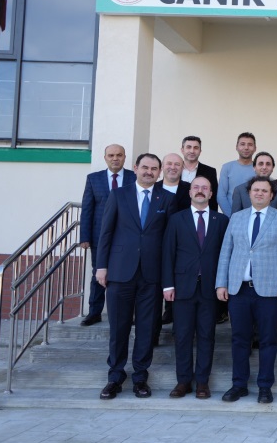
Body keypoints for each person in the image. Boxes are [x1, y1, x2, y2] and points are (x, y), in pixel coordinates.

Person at [96, 153, 177, 400]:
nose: (149, 172)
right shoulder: (119, 195)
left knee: (146, 328)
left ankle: (140, 377)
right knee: (118, 327)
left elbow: (169, 241)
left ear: (159, 172)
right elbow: (106, 232)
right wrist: (101, 266)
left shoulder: (167, 198)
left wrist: (167, 278)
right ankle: (115, 377)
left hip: (151, 275)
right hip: (120, 271)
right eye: (145, 167)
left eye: (154, 169)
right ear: (135, 168)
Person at [216, 176, 277, 404]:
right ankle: (238, 384)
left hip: (269, 291)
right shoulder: (237, 218)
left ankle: (265, 386)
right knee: (239, 339)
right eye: (256, 190)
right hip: (238, 289)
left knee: (268, 340)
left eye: (264, 191)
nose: (259, 194)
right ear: (249, 193)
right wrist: (221, 283)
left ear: (272, 195)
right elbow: (226, 252)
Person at [161, 177, 229, 400]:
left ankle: (202, 382)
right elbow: (168, 253)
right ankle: (183, 381)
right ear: (190, 192)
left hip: (210, 288)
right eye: (196, 187)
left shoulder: (221, 220)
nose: (200, 191)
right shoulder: (176, 219)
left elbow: (226, 255)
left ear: (211, 194)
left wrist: (224, 283)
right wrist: (168, 285)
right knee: (182, 335)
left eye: (205, 188)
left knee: (207, 336)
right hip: (182, 288)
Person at [79, 144, 136, 326]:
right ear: (105, 158)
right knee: (98, 273)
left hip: (127, 237)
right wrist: (85, 236)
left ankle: (128, 314)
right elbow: (87, 209)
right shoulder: (93, 179)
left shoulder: (134, 177)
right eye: (111, 155)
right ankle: (94, 312)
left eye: (119, 155)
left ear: (124, 157)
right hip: (99, 236)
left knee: (127, 274)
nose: (115, 158)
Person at [158, 153, 192, 327]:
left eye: (177, 164)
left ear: (183, 168)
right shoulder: (153, 188)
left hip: (182, 243)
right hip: (155, 243)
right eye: (169, 163)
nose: (173, 167)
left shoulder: (190, 189)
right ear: (162, 167)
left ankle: (170, 312)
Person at [217, 132, 256, 217]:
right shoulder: (227, 167)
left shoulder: (258, 169)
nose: (246, 148)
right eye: (242, 144)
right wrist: (231, 217)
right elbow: (221, 195)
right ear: (236, 147)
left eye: (250, 145)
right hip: (231, 215)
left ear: (255, 148)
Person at [180, 136, 218, 211]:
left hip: (200, 215)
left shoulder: (210, 171)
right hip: (177, 214)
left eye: (196, 148)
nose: (192, 151)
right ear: (182, 150)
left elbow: (213, 199)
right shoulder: (175, 170)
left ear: (200, 151)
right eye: (188, 147)